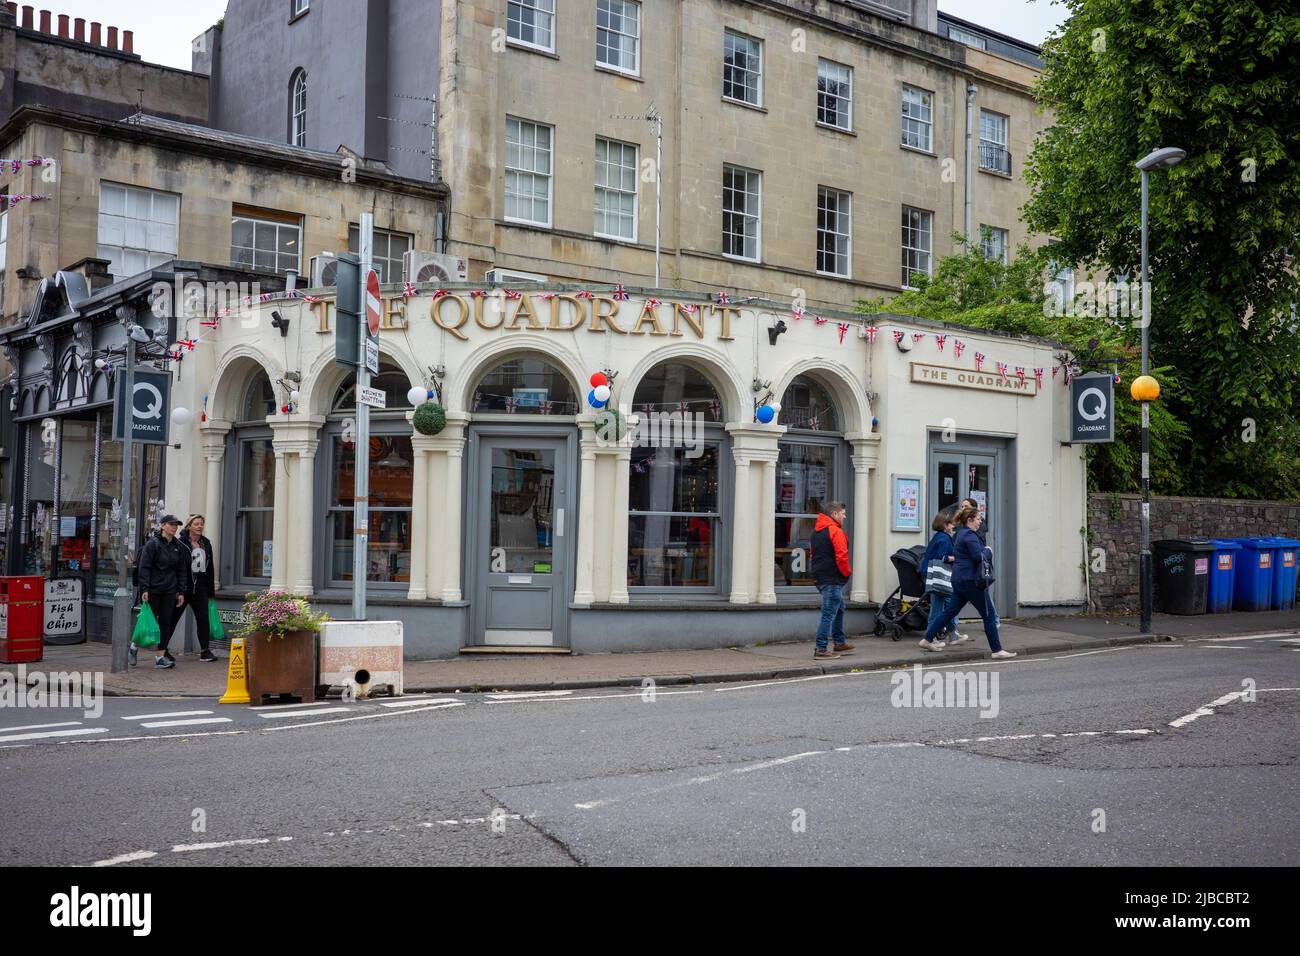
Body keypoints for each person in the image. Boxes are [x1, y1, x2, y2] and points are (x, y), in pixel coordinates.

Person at [923, 505, 1015, 658]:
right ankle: (997, 650)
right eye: (978, 519)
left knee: (949, 612)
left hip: (959, 580)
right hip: (971, 581)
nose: (980, 522)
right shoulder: (970, 535)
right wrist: (989, 550)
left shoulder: (960, 534)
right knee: (989, 615)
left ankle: (927, 639)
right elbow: (978, 556)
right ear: (970, 520)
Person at [129, 515, 191, 668]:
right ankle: (133, 647)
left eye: (176, 525)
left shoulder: (178, 546)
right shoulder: (153, 545)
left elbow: (182, 570)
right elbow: (145, 568)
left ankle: (159, 658)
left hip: (170, 590)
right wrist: (145, 589)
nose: (174, 527)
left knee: (165, 623)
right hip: (153, 590)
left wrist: (181, 592)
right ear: (162, 526)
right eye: (171, 524)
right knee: (148, 622)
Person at [918, 507, 971, 652]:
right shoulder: (944, 538)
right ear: (945, 525)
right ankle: (931, 638)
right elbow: (942, 557)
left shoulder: (939, 537)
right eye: (951, 524)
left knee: (948, 606)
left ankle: (952, 634)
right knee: (938, 608)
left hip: (933, 576)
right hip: (938, 578)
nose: (953, 526)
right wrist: (957, 558)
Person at [810, 501, 853, 658]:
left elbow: (812, 556)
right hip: (833, 579)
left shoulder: (816, 532)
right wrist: (847, 573)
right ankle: (820, 648)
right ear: (834, 514)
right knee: (828, 613)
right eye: (842, 513)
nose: (844, 516)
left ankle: (839, 642)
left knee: (839, 608)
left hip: (821, 577)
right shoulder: (835, 531)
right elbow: (842, 556)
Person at [177, 514, 218, 663]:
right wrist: (179, 590)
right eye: (196, 524)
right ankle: (163, 651)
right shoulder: (181, 543)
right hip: (184, 587)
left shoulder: (206, 543)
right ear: (189, 526)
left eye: (201, 524)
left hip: (200, 587)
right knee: (172, 619)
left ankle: (205, 651)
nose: (200, 526)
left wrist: (210, 591)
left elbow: (210, 568)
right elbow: (178, 568)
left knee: (203, 619)